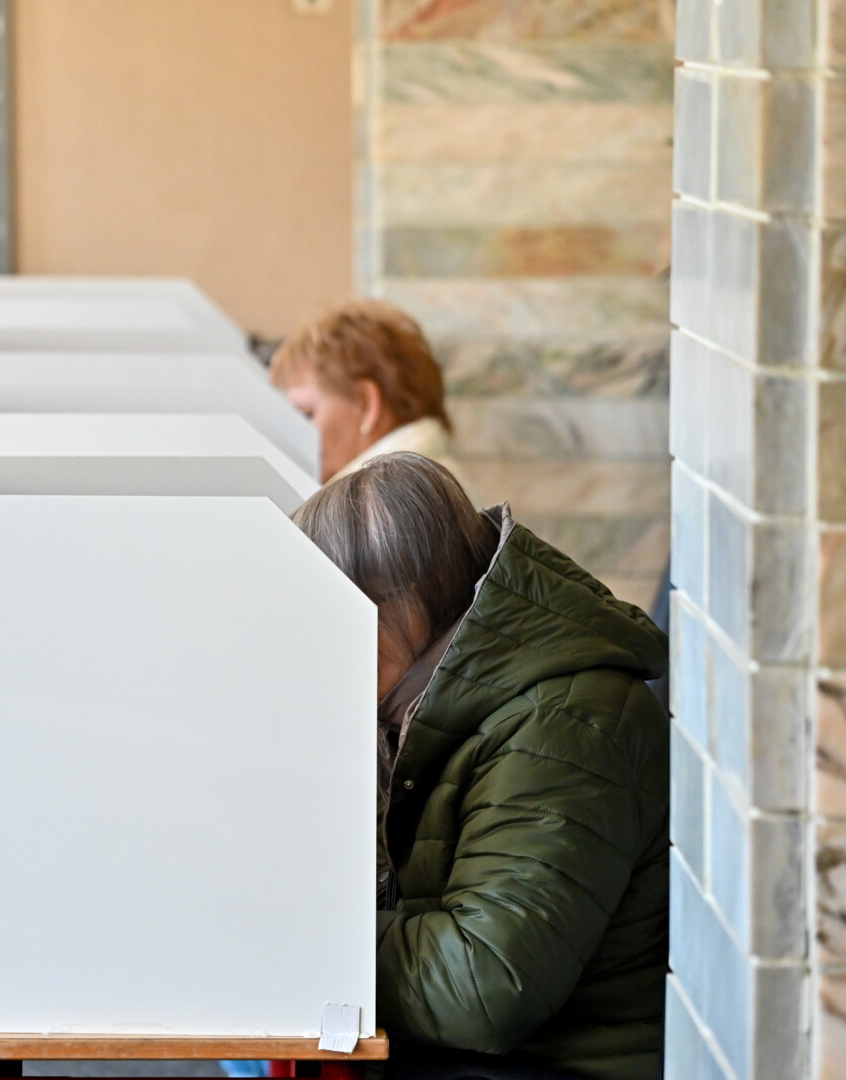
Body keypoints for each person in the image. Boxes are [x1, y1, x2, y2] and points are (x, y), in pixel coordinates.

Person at [293, 452, 670, 1080]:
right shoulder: (420, 702)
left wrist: (299, 941)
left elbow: (485, 983)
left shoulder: (565, 722)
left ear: (405, 604)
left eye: (331, 616)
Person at [270, 301, 475, 497]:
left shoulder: (389, 501)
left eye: (306, 414)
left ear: (366, 403)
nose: (294, 433)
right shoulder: (433, 483)